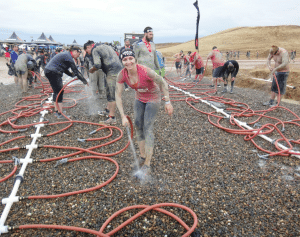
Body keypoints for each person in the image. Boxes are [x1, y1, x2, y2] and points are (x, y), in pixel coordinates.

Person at [115, 49, 173, 175]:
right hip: (139, 98)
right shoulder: (122, 74)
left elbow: (163, 82)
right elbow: (118, 96)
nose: (128, 62)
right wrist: (122, 116)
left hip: (153, 97)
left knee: (147, 127)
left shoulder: (146, 71)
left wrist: (167, 102)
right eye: (125, 59)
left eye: (130, 58)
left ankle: (147, 163)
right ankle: (142, 155)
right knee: (137, 125)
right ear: (122, 61)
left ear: (135, 59)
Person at [84, 40, 123, 124]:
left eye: (87, 51)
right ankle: (107, 110)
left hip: (113, 72)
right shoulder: (105, 46)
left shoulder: (95, 49)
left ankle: (112, 118)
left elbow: (97, 65)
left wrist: (92, 70)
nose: (88, 53)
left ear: (88, 47)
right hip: (118, 70)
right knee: (109, 92)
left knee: (112, 95)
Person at [45, 46, 88, 119]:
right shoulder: (69, 57)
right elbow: (76, 72)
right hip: (54, 72)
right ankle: (60, 113)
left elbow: (65, 69)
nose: (79, 56)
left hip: (49, 71)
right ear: (74, 51)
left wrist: (71, 75)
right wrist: (85, 81)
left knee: (56, 92)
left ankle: (57, 111)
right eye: (78, 53)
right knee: (60, 92)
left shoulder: (66, 55)